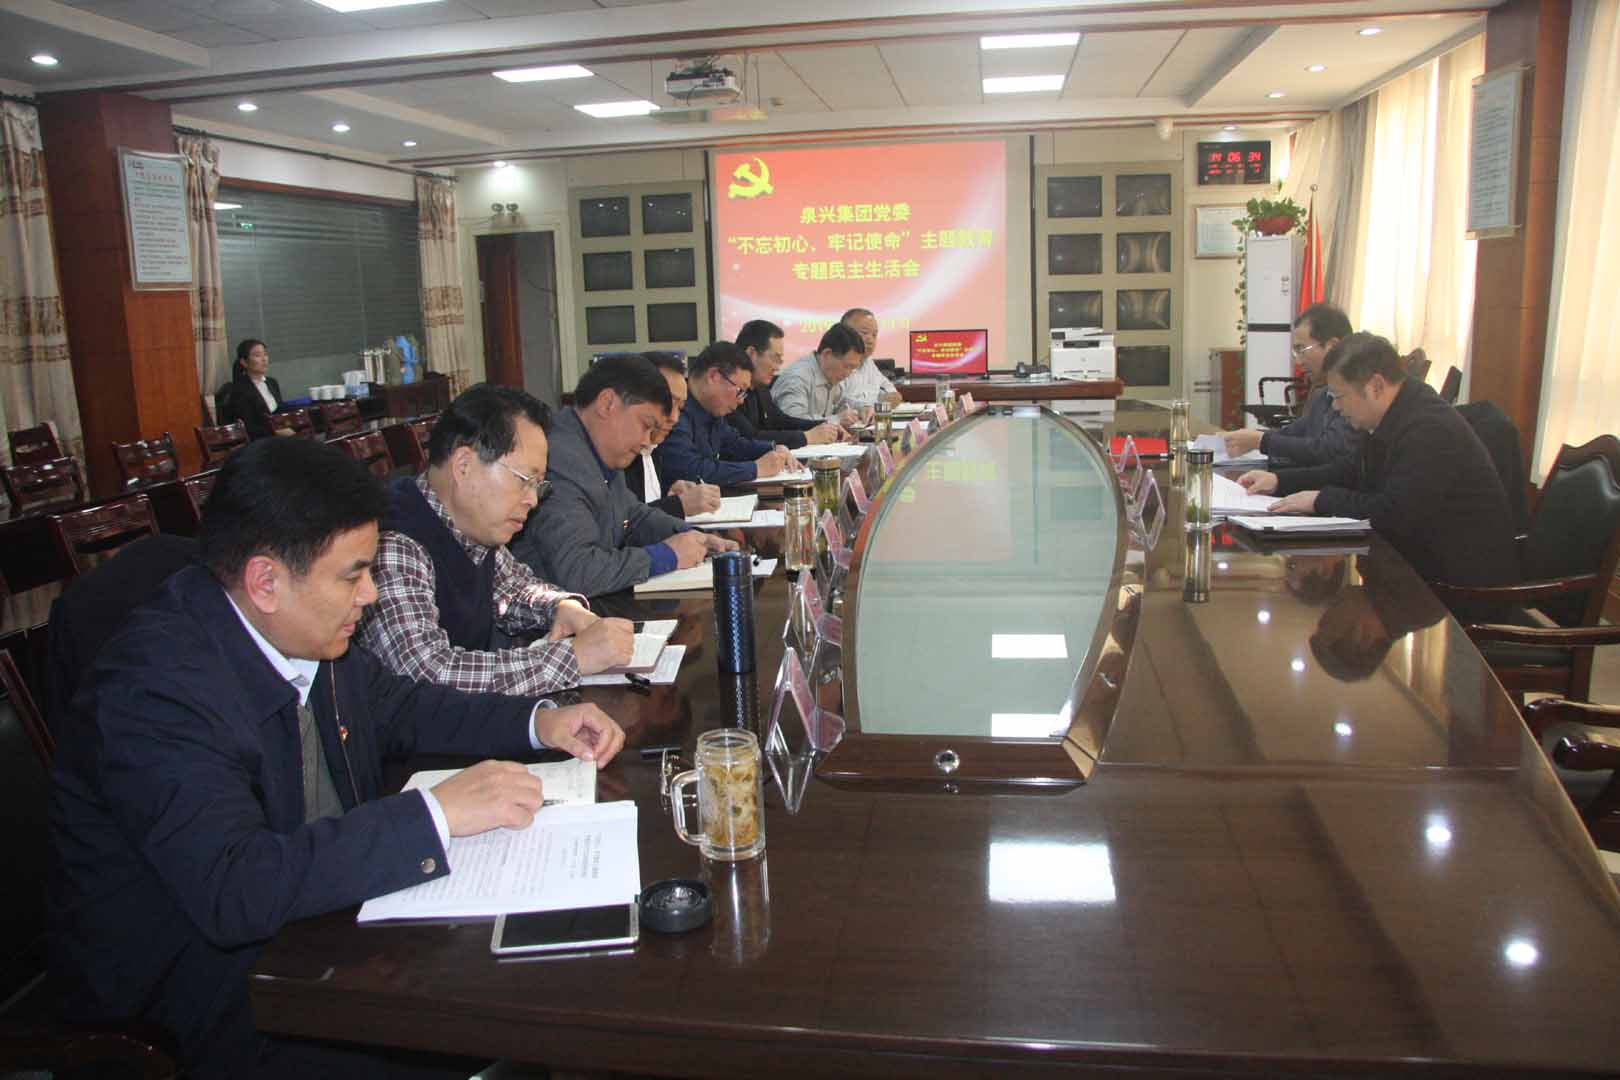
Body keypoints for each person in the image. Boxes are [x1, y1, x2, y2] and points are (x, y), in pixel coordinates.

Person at [47, 436, 625, 1079]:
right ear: (266, 581)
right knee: (489, 1027)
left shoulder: (299, 628)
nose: (370, 594)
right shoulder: (155, 690)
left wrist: (538, 723)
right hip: (205, 992)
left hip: (313, 928)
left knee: (531, 978)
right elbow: (235, 885)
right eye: (353, 574)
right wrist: (436, 814)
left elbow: (400, 706)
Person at [357, 383, 636, 695]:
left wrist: (561, 606)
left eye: (538, 485)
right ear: (463, 466)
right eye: (525, 481)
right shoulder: (393, 542)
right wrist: (572, 658)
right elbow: (427, 672)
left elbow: (512, 588)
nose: (532, 500)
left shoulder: (469, 523)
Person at [1238, 332, 1520, 596]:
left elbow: (1393, 514)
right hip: (1417, 565)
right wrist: (1280, 481)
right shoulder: (1392, 413)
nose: (1335, 407)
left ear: (1375, 386)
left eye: (1339, 397)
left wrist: (1321, 500)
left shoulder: (1428, 428)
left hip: (1457, 587)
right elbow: (1350, 470)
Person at [512, 354, 736, 596]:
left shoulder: (598, 449)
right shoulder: (559, 460)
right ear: (607, 403)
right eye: (645, 425)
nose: (646, 441)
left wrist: (693, 536)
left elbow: (632, 515)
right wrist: (666, 555)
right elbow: (578, 571)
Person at [1217, 304, 1361, 467]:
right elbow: (1292, 433)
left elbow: (1327, 449)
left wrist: (1260, 441)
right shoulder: (1323, 394)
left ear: (1332, 346)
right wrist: (1242, 438)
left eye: (1302, 349)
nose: (1298, 362)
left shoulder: (1356, 395)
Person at [655, 341, 795, 487]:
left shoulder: (711, 410)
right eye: (740, 390)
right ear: (713, 376)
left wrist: (773, 449)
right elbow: (689, 469)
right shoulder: (675, 412)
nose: (741, 401)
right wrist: (755, 469)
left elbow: (733, 445)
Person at [625, 352, 723, 518]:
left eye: (680, 408)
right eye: (668, 403)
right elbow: (622, 523)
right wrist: (678, 505)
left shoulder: (654, 450)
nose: (674, 418)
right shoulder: (618, 456)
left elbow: (643, 508)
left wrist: (669, 495)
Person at [729, 319, 845, 449]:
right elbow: (749, 437)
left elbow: (779, 420)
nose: (777, 367)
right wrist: (806, 437)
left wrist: (824, 426)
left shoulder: (759, 386)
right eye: (775, 358)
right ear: (751, 353)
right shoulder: (730, 389)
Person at [772, 323, 868, 424]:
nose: (848, 374)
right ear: (827, 354)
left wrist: (861, 408)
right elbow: (793, 421)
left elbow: (841, 402)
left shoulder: (829, 373)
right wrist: (836, 420)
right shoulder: (796, 379)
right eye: (847, 366)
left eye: (853, 368)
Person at [836, 307, 903, 410]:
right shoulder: (836, 363)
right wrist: (879, 402)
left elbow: (892, 392)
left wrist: (888, 398)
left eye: (874, 335)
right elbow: (841, 404)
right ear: (845, 334)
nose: (870, 340)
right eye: (864, 333)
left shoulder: (868, 362)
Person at [219, 338, 286, 439]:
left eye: (265, 354)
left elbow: (280, 411)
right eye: (258, 355)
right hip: (260, 440)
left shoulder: (272, 382)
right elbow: (248, 427)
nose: (264, 359)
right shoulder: (240, 390)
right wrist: (276, 432)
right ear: (244, 362)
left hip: (279, 434)